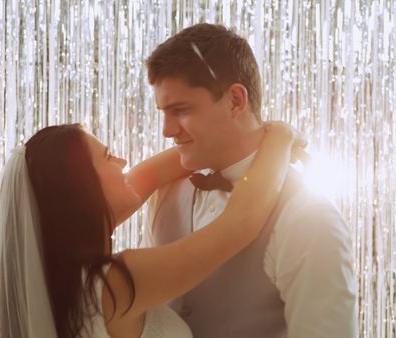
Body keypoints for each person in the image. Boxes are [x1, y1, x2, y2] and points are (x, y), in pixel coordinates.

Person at [0, 122, 305, 338]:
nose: (122, 162)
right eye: (107, 157)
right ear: (82, 189)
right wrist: (279, 136)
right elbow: (239, 224)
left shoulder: (66, 284)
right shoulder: (114, 283)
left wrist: (240, 141)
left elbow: (153, 175)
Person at [144, 23, 357, 338]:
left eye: (181, 110)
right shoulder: (163, 194)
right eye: (163, 112)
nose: (166, 130)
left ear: (235, 101)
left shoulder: (309, 217)